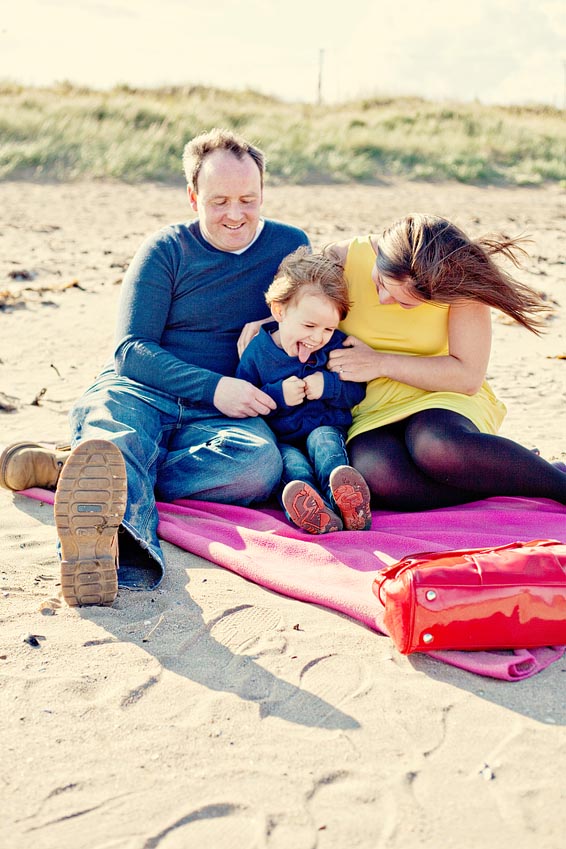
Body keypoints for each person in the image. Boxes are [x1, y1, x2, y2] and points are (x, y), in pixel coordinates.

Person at [0, 128, 310, 606]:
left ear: (264, 193)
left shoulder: (290, 247)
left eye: (249, 199)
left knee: (258, 466)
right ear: (193, 197)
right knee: (116, 432)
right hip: (142, 388)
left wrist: (274, 323)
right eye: (219, 200)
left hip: (225, 412)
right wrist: (214, 387)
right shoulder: (164, 250)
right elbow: (131, 349)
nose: (235, 214)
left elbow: (314, 312)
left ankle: (76, 470)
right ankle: (107, 551)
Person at [320, 213, 566, 510]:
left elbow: (467, 377)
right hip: (372, 406)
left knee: (436, 446)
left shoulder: (458, 281)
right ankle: (510, 475)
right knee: (378, 474)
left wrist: (380, 363)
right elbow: (298, 307)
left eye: (405, 303)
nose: (385, 299)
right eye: (380, 283)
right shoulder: (339, 259)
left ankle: (557, 485)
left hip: (444, 395)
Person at [236, 247, 372, 535]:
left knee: (325, 445)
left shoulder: (336, 345)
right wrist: (277, 396)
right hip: (282, 438)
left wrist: (330, 386)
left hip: (325, 425)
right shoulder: (257, 352)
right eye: (309, 325)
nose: (317, 338)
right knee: (293, 466)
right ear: (279, 311)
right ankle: (314, 510)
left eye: (327, 329)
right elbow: (245, 400)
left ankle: (346, 499)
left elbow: (357, 390)